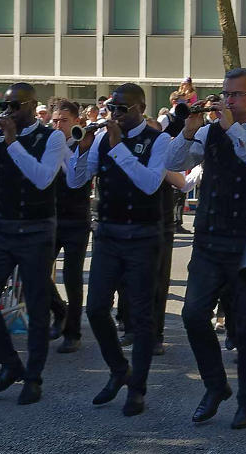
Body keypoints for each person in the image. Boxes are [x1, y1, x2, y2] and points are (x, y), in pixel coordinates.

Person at [165, 68, 246, 428]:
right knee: (193, 315)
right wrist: (188, 130)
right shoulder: (207, 130)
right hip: (209, 240)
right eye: (225, 94)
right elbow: (173, 164)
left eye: (235, 95)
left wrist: (231, 127)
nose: (228, 101)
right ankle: (215, 386)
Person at [68, 83, 172, 414]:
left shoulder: (160, 140)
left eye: (123, 109)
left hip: (142, 235)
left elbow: (150, 183)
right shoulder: (101, 138)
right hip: (109, 235)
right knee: (96, 308)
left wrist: (117, 147)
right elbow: (75, 180)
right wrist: (83, 149)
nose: (115, 115)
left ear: (141, 108)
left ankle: (137, 388)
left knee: (141, 316)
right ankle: (118, 369)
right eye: (112, 108)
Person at [0, 84, 64, 405]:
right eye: (4, 105)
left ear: (33, 106)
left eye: (15, 106)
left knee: (35, 303)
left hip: (37, 228)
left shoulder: (53, 137)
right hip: (3, 228)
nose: (8, 112)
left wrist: (13, 142)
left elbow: (43, 177)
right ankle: (9, 364)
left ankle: (33, 377)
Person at [47, 98, 92, 355]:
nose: (58, 125)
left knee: (73, 277)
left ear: (76, 121)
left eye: (64, 121)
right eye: (54, 121)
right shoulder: (48, 145)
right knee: (38, 268)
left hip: (76, 218)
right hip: (51, 217)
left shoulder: (83, 143)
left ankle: (72, 332)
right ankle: (59, 311)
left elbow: (81, 177)